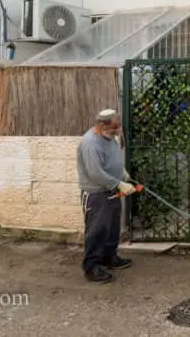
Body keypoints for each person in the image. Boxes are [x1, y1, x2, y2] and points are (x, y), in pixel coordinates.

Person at [77, 109, 136, 283]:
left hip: (112, 189)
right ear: (102, 125)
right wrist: (119, 184)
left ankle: (109, 257)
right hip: (97, 193)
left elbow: (113, 158)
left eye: (117, 130)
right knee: (96, 230)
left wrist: (123, 172)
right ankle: (91, 266)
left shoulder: (110, 137)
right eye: (113, 130)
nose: (116, 133)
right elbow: (95, 173)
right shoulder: (90, 143)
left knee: (112, 226)